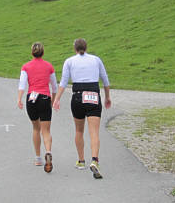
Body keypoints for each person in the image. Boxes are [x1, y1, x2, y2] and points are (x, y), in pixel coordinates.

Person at [53, 38, 111, 179]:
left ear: (75, 48)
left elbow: (64, 82)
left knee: (79, 130)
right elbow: (105, 79)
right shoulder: (96, 60)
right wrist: (107, 97)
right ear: (86, 47)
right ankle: (95, 160)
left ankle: (81, 161)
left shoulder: (70, 61)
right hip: (93, 95)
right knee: (94, 132)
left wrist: (57, 99)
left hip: (78, 96)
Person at [18, 42, 57, 173]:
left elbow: (22, 85)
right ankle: (48, 151)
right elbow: (54, 86)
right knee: (46, 130)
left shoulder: (26, 67)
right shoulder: (49, 66)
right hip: (45, 98)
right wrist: (54, 98)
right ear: (43, 53)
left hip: (32, 99)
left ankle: (38, 158)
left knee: (36, 128)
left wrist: (19, 99)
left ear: (32, 53)